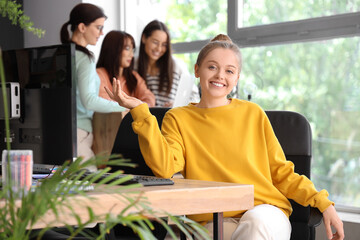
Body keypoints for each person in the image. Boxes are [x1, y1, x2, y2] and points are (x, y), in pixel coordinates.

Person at [105, 34, 345, 240]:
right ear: (197, 69)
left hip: (264, 211)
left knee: (256, 223)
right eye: (212, 67)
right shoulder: (177, 118)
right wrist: (141, 113)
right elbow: (165, 167)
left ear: (236, 78)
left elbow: (282, 172)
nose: (220, 75)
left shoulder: (253, 113)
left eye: (229, 70)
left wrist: (322, 202)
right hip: (213, 219)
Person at [60, 3, 125, 171]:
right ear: (82, 27)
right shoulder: (84, 58)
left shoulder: (60, 53)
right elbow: (88, 100)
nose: (101, 33)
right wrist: (121, 106)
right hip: (79, 133)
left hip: (61, 133)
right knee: (92, 186)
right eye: (98, 27)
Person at [92, 30, 155, 161]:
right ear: (113, 50)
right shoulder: (99, 74)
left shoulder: (133, 77)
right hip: (107, 139)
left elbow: (149, 98)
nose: (131, 54)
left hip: (131, 135)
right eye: (127, 48)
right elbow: (104, 103)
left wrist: (138, 107)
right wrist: (134, 107)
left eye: (133, 49)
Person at [136, 19, 196, 107]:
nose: (159, 49)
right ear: (144, 38)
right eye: (155, 42)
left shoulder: (177, 66)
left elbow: (195, 97)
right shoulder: (133, 66)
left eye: (164, 45)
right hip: (143, 118)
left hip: (171, 117)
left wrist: (178, 105)